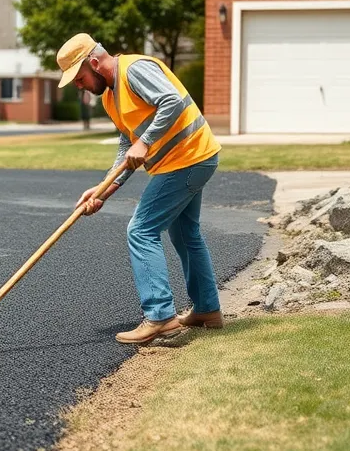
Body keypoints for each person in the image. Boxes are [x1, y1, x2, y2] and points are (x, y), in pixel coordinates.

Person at [56, 33, 224, 345]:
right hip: (189, 160)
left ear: (94, 63)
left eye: (79, 79)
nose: (79, 86)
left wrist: (145, 143)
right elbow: (127, 147)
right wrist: (103, 191)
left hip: (187, 158)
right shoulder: (110, 97)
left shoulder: (134, 70)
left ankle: (160, 317)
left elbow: (171, 101)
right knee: (185, 234)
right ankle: (207, 310)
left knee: (141, 230)